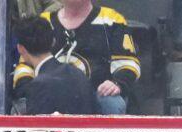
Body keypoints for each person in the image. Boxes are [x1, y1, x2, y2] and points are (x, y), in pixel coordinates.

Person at [12, 0, 140, 114]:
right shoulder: (44, 20)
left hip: (95, 98)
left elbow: (128, 63)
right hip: (49, 94)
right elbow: (25, 64)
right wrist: (29, 91)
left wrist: (117, 83)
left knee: (112, 103)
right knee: (23, 105)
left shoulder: (111, 19)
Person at [14, 16, 96, 115]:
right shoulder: (78, 73)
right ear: (53, 42)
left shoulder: (38, 85)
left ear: (20, 49)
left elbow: (37, 129)